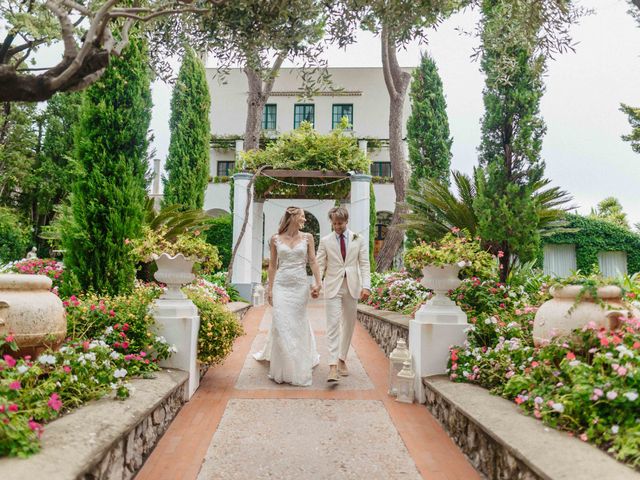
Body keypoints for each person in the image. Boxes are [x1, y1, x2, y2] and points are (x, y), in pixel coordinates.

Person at [253, 207, 322, 386]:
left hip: (299, 285)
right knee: (282, 322)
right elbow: (273, 266)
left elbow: (313, 261)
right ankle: (283, 366)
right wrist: (270, 289)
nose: (304, 220)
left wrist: (318, 282)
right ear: (292, 217)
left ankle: (298, 363)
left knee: (297, 323)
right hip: (281, 285)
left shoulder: (308, 238)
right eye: (302, 216)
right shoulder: (275, 239)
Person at [316, 206, 371, 383]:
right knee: (332, 324)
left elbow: (364, 264)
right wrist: (316, 284)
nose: (337, 227)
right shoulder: (325, 241)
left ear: (346, 221)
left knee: (349, 324)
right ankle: (332, 366)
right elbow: (319, 264)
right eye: (334, 224)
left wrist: (366, 286)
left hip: (352, 286)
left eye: (340, 223)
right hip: (332, 285)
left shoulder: (359, 239)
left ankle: (341, 359)